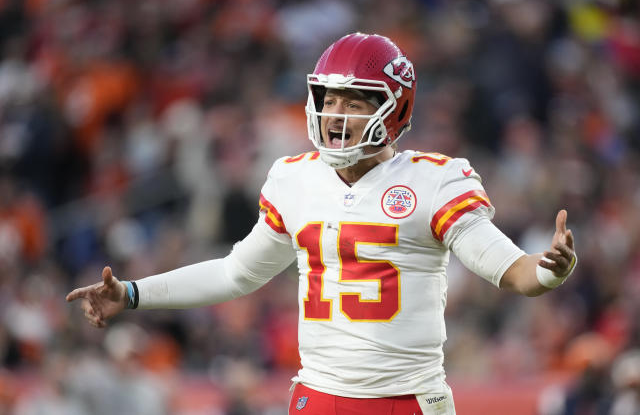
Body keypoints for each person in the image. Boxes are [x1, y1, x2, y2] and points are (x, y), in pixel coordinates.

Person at [66, 33, 577, 415]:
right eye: (328, 99)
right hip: (317, 396)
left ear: (392, 109)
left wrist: (549, 270)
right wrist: (133, 293)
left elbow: (509, 270)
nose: (336, 115)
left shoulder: (436, 180)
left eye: (353, 102)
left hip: (405, 400)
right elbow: (235, 274)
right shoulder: (294, 179)